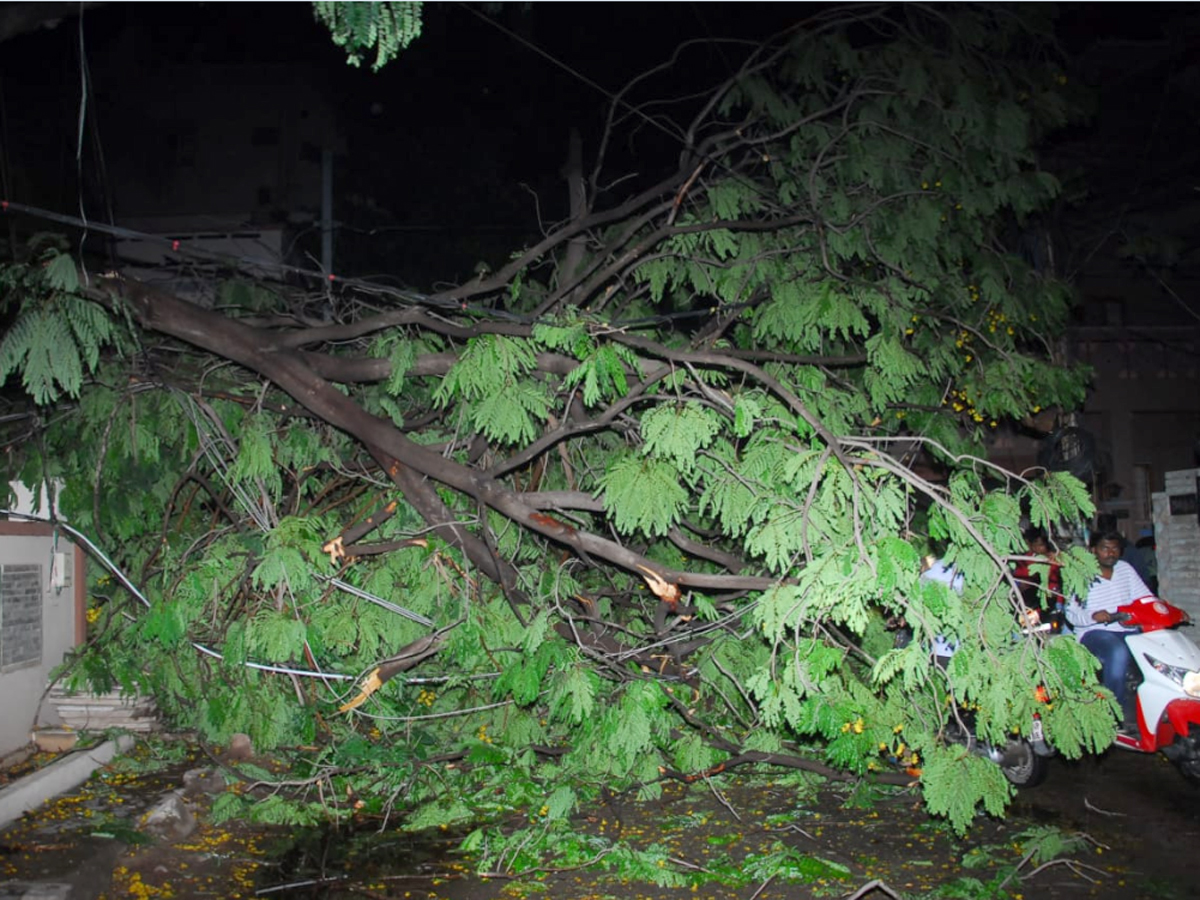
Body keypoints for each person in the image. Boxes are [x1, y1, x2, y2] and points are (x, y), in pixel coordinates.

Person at [1065, 530, 1155, 732]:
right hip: (1094, 632)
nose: (1110, 553)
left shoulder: (1125, 569)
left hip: (1126, 628)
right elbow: (1071, 613)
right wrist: (1092, 616)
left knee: (1155, 648)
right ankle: (1114, 709)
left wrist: (1165, 609)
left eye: (1115, 549)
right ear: (1093, 550)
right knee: (1117, 652)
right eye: (1105, 548)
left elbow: (1145, 598)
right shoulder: (1082, 573)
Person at [1013, 527, 1062, 622]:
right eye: (1034, 545)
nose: (1037, 548)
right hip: (1031, 600)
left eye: (1040, 545)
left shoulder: (1056, 559)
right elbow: (1019, 578)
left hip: (1054, 600)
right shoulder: (1026, 559)